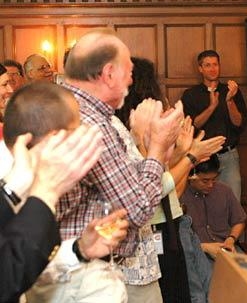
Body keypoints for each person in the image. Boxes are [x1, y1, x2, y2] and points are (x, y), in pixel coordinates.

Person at [27, 29, 184, 303]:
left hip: (68, 270)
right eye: (128, 71)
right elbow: (136, 209)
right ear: (109, 74)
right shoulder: (91, 123)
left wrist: (151, 149)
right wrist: (156, 149)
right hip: (85, 277)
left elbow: (114, 188)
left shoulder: (70, 109)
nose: (132, 79)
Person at [1, 82, 129, 303]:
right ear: (54, 138)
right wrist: (46, 191)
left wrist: (80, 250)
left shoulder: (18, 177)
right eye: (77, 129)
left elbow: (10, 258)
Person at [115, 57, 225, 303]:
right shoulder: (126, 130)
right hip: (150, 229)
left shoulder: (143, 127)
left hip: (171, 221)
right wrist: (189, 156)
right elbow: (151, 190)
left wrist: (184, 154)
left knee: (186, 289)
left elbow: (171, 188)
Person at [181, 50, 247, 202]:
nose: (212, 69)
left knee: (233, 202)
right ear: (200, 68)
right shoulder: (191, 94)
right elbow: (192, 126)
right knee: (205, 205)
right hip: (203, 158)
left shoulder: (231, 91)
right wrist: (212, 107)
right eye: (208, 65)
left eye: (215, 64)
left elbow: (240, 124)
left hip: (229, 156)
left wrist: (229, 101)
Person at [181, 154, 247, 258]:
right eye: (205, 181)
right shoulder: (180, 196)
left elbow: (239, 221)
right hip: (196, 253)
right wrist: (204, 247)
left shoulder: (224, 190)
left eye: (214, 179)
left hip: (225, 249)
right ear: (191, 177)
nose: (211, 185)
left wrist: (231, 239)